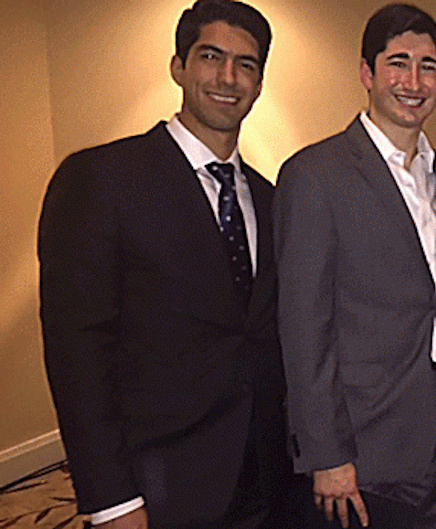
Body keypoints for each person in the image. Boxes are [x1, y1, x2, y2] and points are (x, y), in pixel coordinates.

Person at [38, 1, 302, 528]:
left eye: (246, 64)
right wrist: (110, 498)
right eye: (211, 57)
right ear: (178, 67)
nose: (228, 77)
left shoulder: (274, 201)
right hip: (159, 485)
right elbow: (77, 354)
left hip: (267, 480)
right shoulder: (102, 180)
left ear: (259, 82)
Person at [273, 4, 436, 528]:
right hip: (362, 448)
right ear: (367, 73)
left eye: (427, 66)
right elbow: (303, 328)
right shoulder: (315, 175)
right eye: (398, 62)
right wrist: (326, 453)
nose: (413, 80)